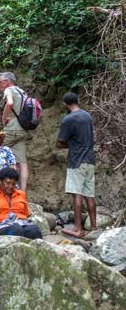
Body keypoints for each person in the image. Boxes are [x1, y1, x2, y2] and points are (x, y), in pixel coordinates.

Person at [56, 92, 96, 237]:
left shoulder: (68, 119)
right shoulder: (87, 116)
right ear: (77, 101)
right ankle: (93, 227)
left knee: (76, 194)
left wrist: (68, 145)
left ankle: (78, 229)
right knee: (89, 194)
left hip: (76, 160)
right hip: (90, 160)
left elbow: (60, 143)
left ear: (65, 104)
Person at [0, 71, 29, 192]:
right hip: (23, 129)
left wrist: (4, 118)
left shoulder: (8, 90)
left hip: (13, 128)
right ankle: (22, 193)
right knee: (22, 162)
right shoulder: (22, 91)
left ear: (6, 82)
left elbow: (10, 103)